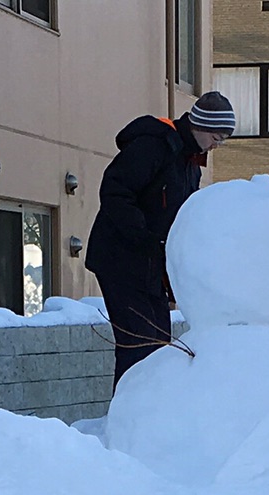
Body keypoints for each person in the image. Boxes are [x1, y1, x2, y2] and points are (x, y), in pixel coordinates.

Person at [85, 92, 237, 386]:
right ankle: (128, 419)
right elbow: (115, 192)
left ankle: (148, 414)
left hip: (152, 264)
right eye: (217, 136)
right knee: (139, 346)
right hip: (121, 259)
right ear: (201, 126)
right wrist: (145, 237)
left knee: (158, 345)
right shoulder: (155, 145)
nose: (218, 144)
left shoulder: (190, 163)